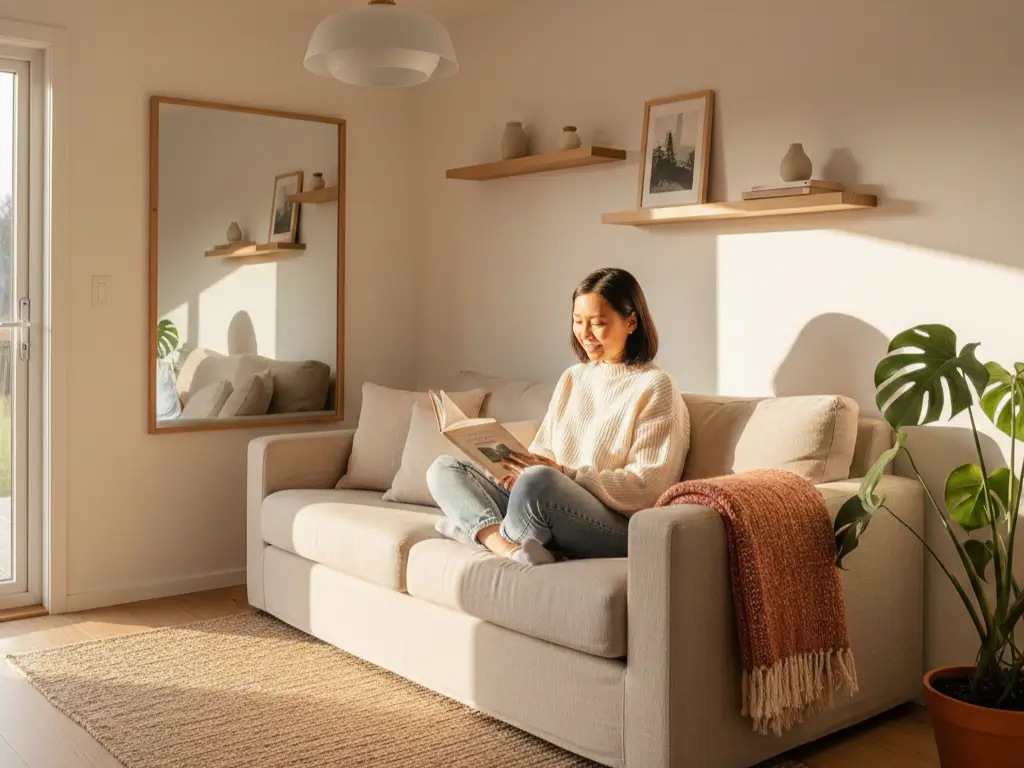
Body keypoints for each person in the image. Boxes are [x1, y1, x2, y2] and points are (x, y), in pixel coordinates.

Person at [426, 267, 690, 565]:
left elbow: (649, 487)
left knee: (539, 482)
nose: (585, 334)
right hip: (551, 505)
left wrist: (565, 474)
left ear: (631, 322)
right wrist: (513, 470)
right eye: (578, 321)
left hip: (614, 525)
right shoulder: (573, 378)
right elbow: (545, 450)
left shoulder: (656, 386)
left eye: (598, 323)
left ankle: (477, 532)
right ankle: (508, 548)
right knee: (444, 469)